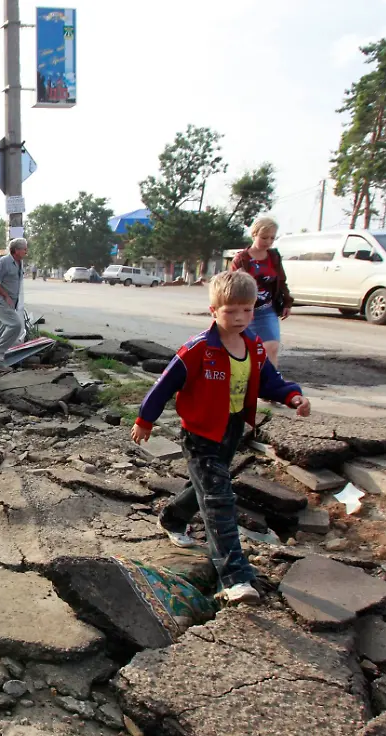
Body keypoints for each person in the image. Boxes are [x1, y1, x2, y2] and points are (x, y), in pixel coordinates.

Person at [132, 270, 312, 604]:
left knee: (207, 487)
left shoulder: (254, 347)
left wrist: (293, 397)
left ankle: (172, 517)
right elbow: (165, 385)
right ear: (214, 311)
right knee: (219, 500)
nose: (241, 318)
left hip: (231, 429)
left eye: (247, 310)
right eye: (231, 311)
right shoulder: (198, 349)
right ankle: (236, 578)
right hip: (199, 433)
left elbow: (270, 380)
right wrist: (145, 419)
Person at [229, 216, 291, 367]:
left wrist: (287, 302)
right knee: (241, 352)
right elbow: (231, 286)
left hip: (266, 311)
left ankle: (270, 386)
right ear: (254, 234)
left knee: (271, 348)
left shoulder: (273, 257)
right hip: (243, 312)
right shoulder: (241, 259)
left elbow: (281, 281)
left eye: (272, 238)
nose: (268, 242)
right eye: (264, 237)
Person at [0, 238, 28, 367]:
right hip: (2, 301)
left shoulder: (20, 263)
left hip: (12, 302)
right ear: (16, 250)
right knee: (15, 325)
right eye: (24, 249)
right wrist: (6, 296)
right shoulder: (4, 262)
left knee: (2, 328)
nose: (26, 251)